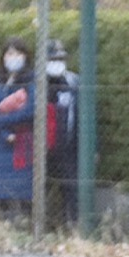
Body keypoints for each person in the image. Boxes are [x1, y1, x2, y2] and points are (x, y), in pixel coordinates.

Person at [0, 37, 36, 219]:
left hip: (21, 140)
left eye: (18, 53)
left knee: (21, 186)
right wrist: (0, 128)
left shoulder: (32, 81)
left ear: (26, 56)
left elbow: (29, 111)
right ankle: (2, 220)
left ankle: (23, 219)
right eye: (10, 53)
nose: (14, 57)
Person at [43, 39, 80, 227]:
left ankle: (73, 225)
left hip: (67, 147)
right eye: (52, 58)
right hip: (40, 148)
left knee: (71, 188)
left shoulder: (73, 81)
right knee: (40, 188)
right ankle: (41, 226)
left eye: (60, 58)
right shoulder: (36, 82)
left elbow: (84, 115)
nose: (56, 62)